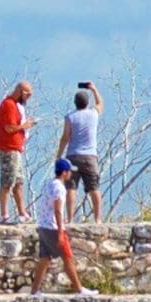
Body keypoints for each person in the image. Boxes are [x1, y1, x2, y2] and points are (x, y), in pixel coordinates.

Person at [28, 155, 83, 294]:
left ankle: (35, 290)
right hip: (53, 227)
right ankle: (79, 288)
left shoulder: (49, 184)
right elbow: (58, 210)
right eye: (69, 171)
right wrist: (60, 232)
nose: (71, 173)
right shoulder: (60, 188)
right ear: (64, 172)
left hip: (43, 226)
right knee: (67, 257)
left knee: (45, 258)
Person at [60, 82, 105, 221]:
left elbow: (65, 137)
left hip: (73, 156)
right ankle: (98, 219)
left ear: (75, 103)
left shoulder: (70, 117)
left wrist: (59, 155)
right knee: (94, 187)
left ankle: (70, 219)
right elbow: (100, 104)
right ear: (87, 103)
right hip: (90, 157)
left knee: (71, 188)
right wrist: (94, 89)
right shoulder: (93, 114)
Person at [0, 79, 35, 223]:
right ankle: (4, 214)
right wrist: (25, 126)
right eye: (27, 95)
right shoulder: (9, 105)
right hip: (8, 149)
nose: (28, 98)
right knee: (7, 181)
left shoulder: (15, 106)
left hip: (16, 149)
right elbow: (9, 127)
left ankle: (22, 213)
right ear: (20, 92)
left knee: (19, 182)